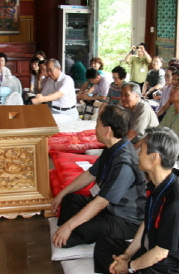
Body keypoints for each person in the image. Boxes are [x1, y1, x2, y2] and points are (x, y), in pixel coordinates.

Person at [94, 127, 179, 274]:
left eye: (143, 150)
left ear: (154, 158)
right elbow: (145, 224)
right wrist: (126, 255)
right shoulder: (158, 184)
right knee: (102, 245)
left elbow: (160, 253)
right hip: (148, 251)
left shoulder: (176, 201)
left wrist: (130, 266)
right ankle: (128, 273)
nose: (138, 153)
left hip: (167, 271)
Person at [51, 105, 147, 248]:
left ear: (107, 130)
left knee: (83, 227)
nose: (95, 128)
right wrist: (62, 193)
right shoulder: (113, 148)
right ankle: (72, 231)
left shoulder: (124, 163)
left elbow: (101, 202)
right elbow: (90, 175)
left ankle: (70, 233)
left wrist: (69, 226)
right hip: (107, 208)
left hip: (124, 220)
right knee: (69, 198)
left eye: (97, 125)